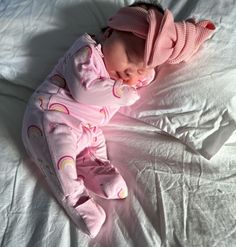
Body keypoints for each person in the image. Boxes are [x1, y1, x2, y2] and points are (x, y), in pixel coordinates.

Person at [22, 1, 215, 238]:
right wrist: (122, 92)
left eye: (139, 69)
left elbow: (149, 71)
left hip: (86, 128)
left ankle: (94, 168)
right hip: (50, 116)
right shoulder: (87, 51)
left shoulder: (132, 75)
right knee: (61, 156)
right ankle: (77, 201)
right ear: (110, 32)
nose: (129, 73)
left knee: (94, 145)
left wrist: (169, 49)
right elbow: (85, 91)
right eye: (129, 55)